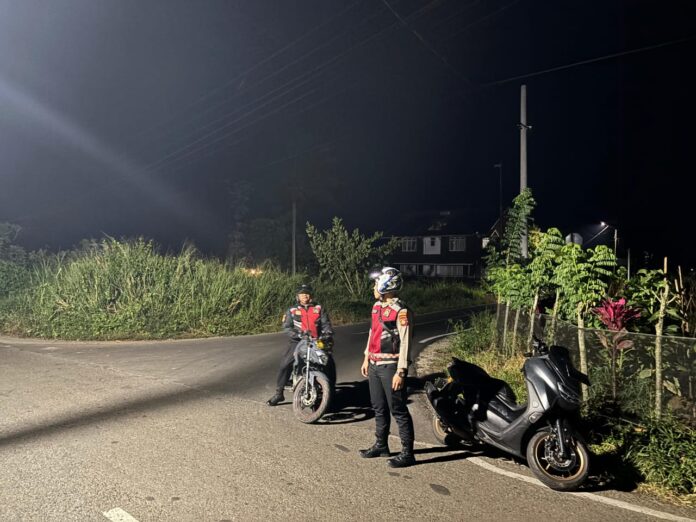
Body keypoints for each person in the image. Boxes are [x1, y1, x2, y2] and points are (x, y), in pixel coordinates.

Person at [359, 267, 415, 468]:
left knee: (398, 410)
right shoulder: (376, 307)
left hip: (391, 367)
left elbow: (406, 341)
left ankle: (408, 453)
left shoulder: (401, 311)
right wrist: (366, 357)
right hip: (375, 365)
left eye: (376, 284)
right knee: (378, 407)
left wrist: (401, 371)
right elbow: (372, 332)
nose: (373, 288)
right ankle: (381, 445)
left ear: (386, 285)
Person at [266, 284, 335, 406]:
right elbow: (287, 327)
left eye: (307, 294)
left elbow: (326, 324)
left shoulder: (319, 308)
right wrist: (298, 334)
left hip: (316, 340)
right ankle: (279, 393)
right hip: (297, 341)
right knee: (285, 364)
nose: (305, 296)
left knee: (328, 362)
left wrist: (327, 333)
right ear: (298, 296)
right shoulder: (292, 310)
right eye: (302, 294)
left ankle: (330, 391)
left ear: (311, 296)